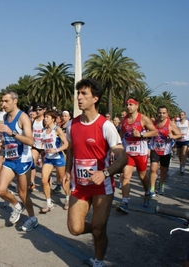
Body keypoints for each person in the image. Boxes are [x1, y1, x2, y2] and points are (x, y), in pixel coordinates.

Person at [64, 78, 127, 267]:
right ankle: (98, 230)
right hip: (80, 186)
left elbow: (123, 157)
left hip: (102, 187)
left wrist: (105, 173)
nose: (79, 97)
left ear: (95, 99)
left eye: (84, 94)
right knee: (75, 229)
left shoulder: (105, 125)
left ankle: (99, 261)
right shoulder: (71, 125)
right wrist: (67, 170)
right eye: (78, 93)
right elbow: (71, 149)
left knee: (99, 230)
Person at [0, 89, 38, 231]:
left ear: (15, 101)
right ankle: (17, 206)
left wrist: (12, 133)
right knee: (0, 190)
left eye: (6, 101)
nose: (3, 104)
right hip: (9, 158)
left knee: (23, 194)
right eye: (2, 101)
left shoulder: (23, 117)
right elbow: (7, 137)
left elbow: (30, 141)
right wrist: (1, 143)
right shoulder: (5, 117)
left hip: (23, 160)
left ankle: (32, 218)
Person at [115, 98, 157, 213]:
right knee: (126, 175)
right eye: (127, 104)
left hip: (140, 152)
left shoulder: (143, 118)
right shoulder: (124, 120)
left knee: (142, 176)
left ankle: (147, 192)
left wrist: (141, 134)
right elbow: (122, 134)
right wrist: (119, 146)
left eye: (131, 104)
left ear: (136, 106)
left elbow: (155, 131)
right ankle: (124, 202)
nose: (128, 106)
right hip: (128, 152)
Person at [40, 110, 70, 212]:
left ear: (53, 119)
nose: (45, 119)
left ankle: (67, 199)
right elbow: (44, 144)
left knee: (63, 180)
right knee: (44, 180)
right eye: (45, 117)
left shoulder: (57, 130)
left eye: (47, 117)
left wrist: (56, 149)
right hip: (48, 158)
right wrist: (43, 151)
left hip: (58, 157)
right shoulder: (43, 130)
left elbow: (66, 144)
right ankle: (49, 203)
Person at [148, 106, 182, 196]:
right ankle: (152, 188)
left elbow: (179, 135)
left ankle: (161, 185)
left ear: (167, 114)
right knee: (153, 169)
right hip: (155, 148)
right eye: (160, 112)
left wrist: (173, 137)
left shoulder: (170, 124)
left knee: (163, 170)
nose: (161, 115)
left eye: (163, 113)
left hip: (166, 150)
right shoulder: (153, 123)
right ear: (157, 113)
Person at [29, 103, 46, 191]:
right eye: (37, 110)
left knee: (45, 166)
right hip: (35, 145)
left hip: (44, 146)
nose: (38, 111)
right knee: (32, 163)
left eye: (40, 110)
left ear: (44, 110)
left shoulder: (45, 120)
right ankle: (32, 183)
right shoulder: (33, 120)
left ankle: (46, 181)